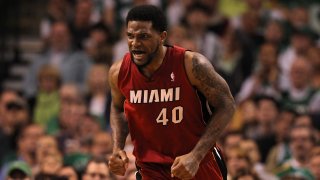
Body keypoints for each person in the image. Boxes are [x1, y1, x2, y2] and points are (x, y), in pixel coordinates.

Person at [108, 5, 235, 180]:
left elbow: (227, 105)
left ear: (162, 37)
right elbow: (117, 108)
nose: (135, 44)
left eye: (143, 36)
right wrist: (117, 148)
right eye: (130, 36)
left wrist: (196, 155)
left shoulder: (191, 64)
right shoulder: (118, 72)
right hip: (151, 168)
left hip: (196, 163)